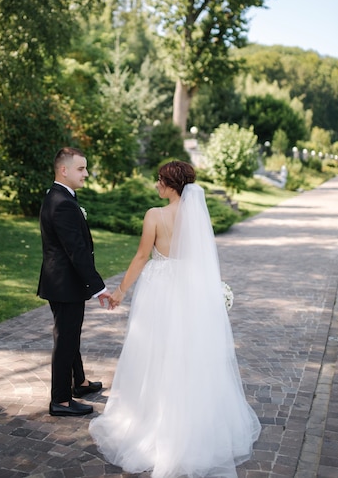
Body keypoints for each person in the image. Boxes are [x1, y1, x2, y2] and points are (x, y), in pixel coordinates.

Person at [89, 161, 261, 478]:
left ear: (170, 184)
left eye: (159, 180)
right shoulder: (196, 217)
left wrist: (120, 292)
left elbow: (142, 256)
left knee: (154, 354)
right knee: (187, 356)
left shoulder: (155, 215)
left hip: (159, 292)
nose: (156, 185)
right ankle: (189, 426)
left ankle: (153, 424)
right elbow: (203, 262)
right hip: (188, 293)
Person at [37, 147, 111, 417]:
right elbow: (76, 251)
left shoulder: (57, 196)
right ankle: (61, 401)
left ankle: (78, 383)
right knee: (66, 339)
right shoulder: (63, 203)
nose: (86, 173)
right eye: (81, 168)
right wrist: (99, 287)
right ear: (64, 170)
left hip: (62, 283)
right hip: (65, 285)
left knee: (71, 335)